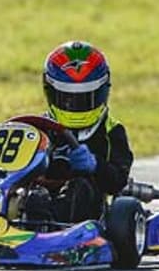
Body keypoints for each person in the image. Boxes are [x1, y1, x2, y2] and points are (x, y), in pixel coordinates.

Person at [40, 40, 134, 222]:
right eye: (67, 98)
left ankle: (55, 232)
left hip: (86, 211)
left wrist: (95, 165)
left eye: (84, 98)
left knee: (79, 187)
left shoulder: (112, 131)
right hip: (40, 197)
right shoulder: (39, 128)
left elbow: (118, 181)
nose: (75, 105)